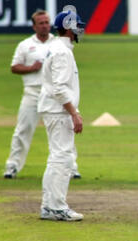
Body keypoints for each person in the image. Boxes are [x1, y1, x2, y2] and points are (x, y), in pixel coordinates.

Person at [4, 10, 81, 179]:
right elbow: (14, 67)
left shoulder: (58, 44)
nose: (45, 26)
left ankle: (71, 167)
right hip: (32, 93)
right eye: (41, 23)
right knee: (23, 130)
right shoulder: (25, 45)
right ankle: (12, 166)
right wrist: (31, 68)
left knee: (65, 129)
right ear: (34, 26)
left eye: (47, 22)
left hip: (55, 95)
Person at [38, 6, 86, 221]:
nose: (80, 31)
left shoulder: (56, 47)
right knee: (63, 157)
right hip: (58, 111)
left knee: (56, 157)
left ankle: (49, 206)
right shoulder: (62, 51)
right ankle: (56, 207)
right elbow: (59, 87)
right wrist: (73, 113)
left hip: (54, 109)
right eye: (77, 27)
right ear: (68, 28)